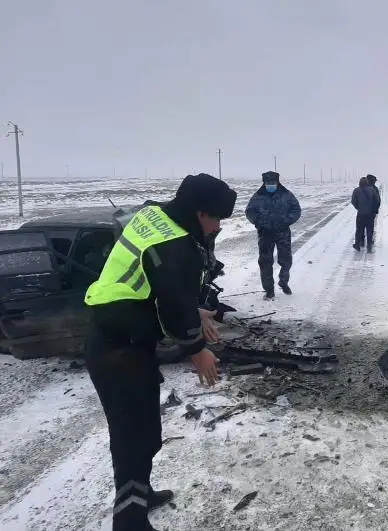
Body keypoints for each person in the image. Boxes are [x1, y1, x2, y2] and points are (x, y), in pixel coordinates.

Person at [84, 173, 237, 531]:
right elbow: (171, 304)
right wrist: (197, 349)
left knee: (141, 431)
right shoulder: (175, 244)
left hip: (120, 334)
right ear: (200, 213)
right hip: (117, 346)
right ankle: (129, 520)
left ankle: (138, 493)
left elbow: (152, 284)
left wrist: (195, 311)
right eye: (216, 219)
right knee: (133, 435)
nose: (216, 228)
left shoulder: (154, 216)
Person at [245, 171, 301, 299]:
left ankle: (283, 282)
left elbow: (296, 209)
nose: (271, 185)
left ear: (277, 182)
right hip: (265, 234)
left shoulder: (286, 195)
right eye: (268, 183)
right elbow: (249, 211)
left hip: (283, 233)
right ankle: (269, 289)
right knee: (265, 261)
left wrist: (286, 220)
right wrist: (258, 222)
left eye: (273, 183)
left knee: (286, 260)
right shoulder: (258, 196)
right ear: (264, 183)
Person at [351, 176, 380, 252]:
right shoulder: (372, 190)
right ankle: (369, 246)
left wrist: (358, 207)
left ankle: (357, 244)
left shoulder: (356, 190)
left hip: (361, 213)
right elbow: (377, 200)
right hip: (370, 214)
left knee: (359, 229)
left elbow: (353, 201)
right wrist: (373, 209)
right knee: (369, 230)